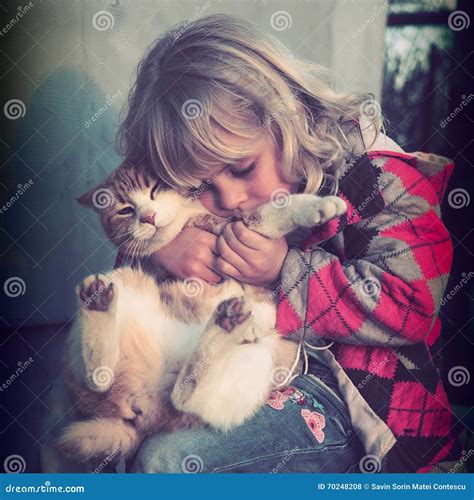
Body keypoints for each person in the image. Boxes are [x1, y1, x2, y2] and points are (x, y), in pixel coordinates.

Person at [115, 14, 460, 473]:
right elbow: (138, 278)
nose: (230, 200)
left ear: (286, 117)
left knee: (167, 462)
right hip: (228, 376)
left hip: (361, 410)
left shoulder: (383, 179)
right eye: (199, 186)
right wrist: (161, 246)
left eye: (242, 170)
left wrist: (284, 271)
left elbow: (411, 303)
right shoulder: (200, 210)